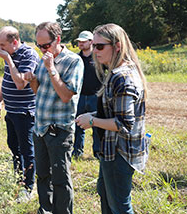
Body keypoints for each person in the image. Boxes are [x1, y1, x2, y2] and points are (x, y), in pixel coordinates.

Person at [76, 23, 148, 214]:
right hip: (111, 149)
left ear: (117, 46)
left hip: (119, 151)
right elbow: (114, 112)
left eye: (100, 46)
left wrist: (92, 121)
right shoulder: (117, 72)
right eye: (94, 45)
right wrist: (93, 115)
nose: (94, 51)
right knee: (107, 196)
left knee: (119, 206)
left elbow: (123, 123)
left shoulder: (121, 76)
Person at [24, 22, 84, 214]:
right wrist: (32, 79)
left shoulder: (73, 61)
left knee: (60, 179)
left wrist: (51, 69)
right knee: (42, 176)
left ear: (57, 39)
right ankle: (46, 211)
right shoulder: (43, 60)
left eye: (45, 45)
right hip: (40, 128)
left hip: (59, 130)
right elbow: (38, 92)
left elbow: (66, 96)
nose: (42, 50)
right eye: (38, 45)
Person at [0, 26, 39, 195]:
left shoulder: (28, 54)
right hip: (11, 110)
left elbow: (20, 83)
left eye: (3, 45)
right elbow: (8, 80)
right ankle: (18, 180)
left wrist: (8, 60)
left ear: (14, 41)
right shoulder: (10, 54)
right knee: (14, 147)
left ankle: (28, 186)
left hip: (24, 111)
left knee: (27, 150)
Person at [73, 30, 102, 159]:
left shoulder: (98, 58)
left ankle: (97, 152)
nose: (81, 44)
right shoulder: (75, 58)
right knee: (78, 124)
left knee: (96, 124)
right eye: (79, 42)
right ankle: (77, 152)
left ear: (91, 42)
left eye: (83, 41)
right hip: (79, 96)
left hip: (95, 96)